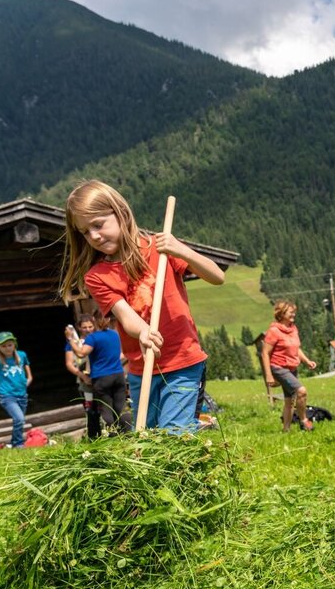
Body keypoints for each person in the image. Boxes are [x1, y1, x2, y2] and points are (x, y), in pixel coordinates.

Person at [59, 180, 225, 432]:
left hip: (182, 361)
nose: (93, 236)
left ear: (121, 214)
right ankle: (196, 427)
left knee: (173, 435)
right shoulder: (97, 276)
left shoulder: (161, 251)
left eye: (98, 224)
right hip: (140, 369)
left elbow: (217, 276)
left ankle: (189, 428)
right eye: (84, 231)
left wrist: (182, 250)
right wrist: (144, 331)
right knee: (149, 437)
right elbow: (126, 316)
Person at [65, 311, 131, 434]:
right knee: (121, 406)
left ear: (95, 321)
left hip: (101, 378)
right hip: (118, 375)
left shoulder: (93, 337)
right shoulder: (114, 334)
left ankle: (114, 435)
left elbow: (81, 353)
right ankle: (128, 432)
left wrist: (70, 339)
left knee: (106, 407)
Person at [262, 300, 318, 432]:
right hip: (279, 367)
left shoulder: (293, 328)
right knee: (301, 391)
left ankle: (286, 429)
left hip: (292, 368)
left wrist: (306, 361)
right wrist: (269, 375)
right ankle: (304, 420)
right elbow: (265, 353)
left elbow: (296, 348)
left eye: (294, 311)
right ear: (281, 313)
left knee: (289, 401)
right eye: (290, 311)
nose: (293, 314)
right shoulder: (274, 331)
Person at [0, 331, 32, 448]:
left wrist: (29, 377)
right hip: (7, 395)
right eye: (3, 346)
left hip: (22, 394)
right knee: (19, 419)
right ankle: (18, 443)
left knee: (19, 421)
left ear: (14, 344)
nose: (7, 348)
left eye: (10, 345)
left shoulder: (21, 355)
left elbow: (26, 364)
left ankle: (14, 442)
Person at [64, 313, 101, 439]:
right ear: (79, 328)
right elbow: (69, 364)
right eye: (84, 327)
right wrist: (83, 376)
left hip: (100, 378)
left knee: (103, 407)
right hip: (84, 382)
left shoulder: (98, 339)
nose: (88, 329)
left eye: (90, 326)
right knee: (90, 410)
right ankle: (93, 437)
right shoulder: (73, 343)